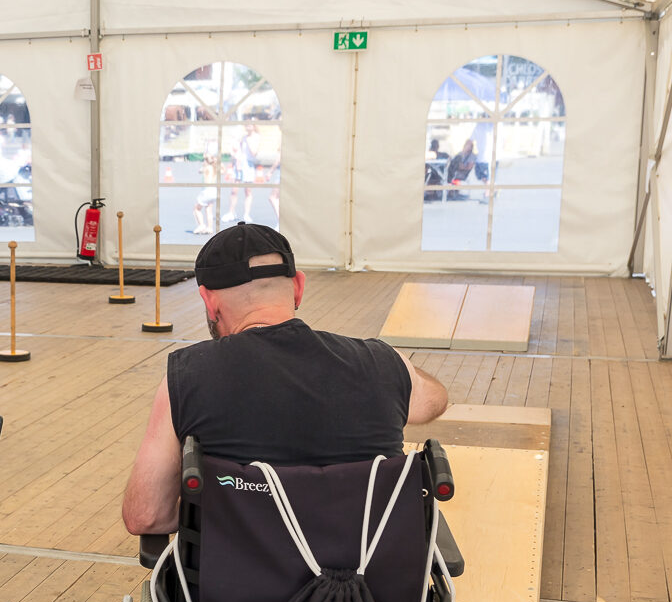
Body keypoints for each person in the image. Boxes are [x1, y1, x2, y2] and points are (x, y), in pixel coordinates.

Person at [122, 223, 449, 537]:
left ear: (208, 301)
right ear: (298, 287)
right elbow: (433, 402)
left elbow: (147, 517)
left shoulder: (186, 375)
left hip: (234, 591)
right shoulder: (383, 361)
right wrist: (395, 366)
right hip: (377, 586)